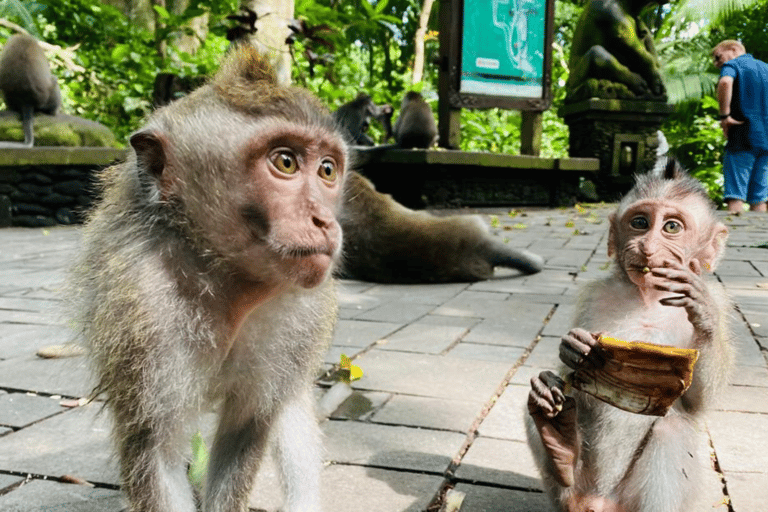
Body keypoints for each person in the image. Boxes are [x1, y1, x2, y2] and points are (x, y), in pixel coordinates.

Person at [713, 40, 768, 213]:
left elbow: (725, 83)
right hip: (766, 141)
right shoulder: (766, 68)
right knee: (759, 198)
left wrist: (725, 116)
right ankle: (761, 239)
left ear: (733, 49)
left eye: (718, 56)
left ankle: (735, 238)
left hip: (743, 137)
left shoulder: (733, 64)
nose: (716, 63)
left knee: (735, 195)